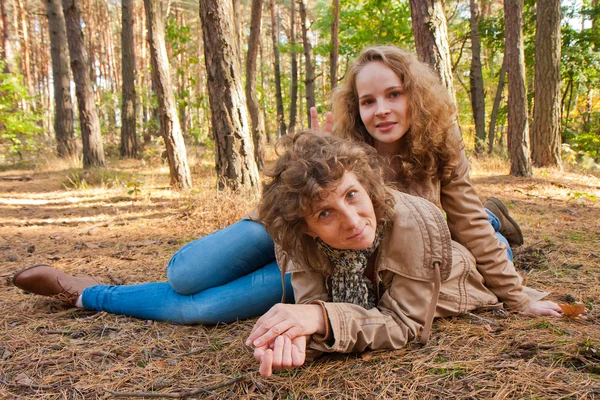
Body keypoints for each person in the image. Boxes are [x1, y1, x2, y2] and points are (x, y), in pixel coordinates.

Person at [12, 45, 556, 325]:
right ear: (355, 106)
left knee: (200, 309)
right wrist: (285, 235)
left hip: (344, 257)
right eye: (368, 100)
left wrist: (515, 295)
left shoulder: (441, 148)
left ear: (414, 94)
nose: (382, 109)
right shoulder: (342, 145)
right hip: (296, 232)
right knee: (186, 272)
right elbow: (290, 201)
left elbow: (461, 225)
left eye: (393, 94)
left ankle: (84, 291)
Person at [244, 131, 559, 378]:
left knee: (494, 242)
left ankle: (494, 219)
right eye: (325, 214)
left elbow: (402, 324)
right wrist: (295, 337)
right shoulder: (304, 244)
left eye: (352, 195)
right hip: (429, 250)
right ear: (308, 229)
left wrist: (318, 317)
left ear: (367, 187)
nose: (352, 220)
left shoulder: (411, 226)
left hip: (461, 268)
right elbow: (314, 309)